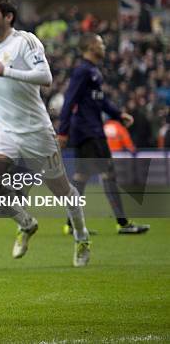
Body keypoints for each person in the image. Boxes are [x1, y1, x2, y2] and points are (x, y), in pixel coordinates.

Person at [0, 0, 91, 267]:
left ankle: (82, 236)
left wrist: (8, 70)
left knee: (61, 190)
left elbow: (45, 77)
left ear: (8, 17)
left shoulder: (25, 42)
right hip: (3, 128)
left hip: (35, 130)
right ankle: (26, 224)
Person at [58, 34, 149, 235]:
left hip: (89, 130)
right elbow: (69, 100)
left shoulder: (92, 71)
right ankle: (122, 223)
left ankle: (71, 224)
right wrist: (62, 131)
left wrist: (118, 115)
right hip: (89, 131)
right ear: (91, 46)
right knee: (108, 174)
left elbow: (100, 101)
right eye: (100, 44)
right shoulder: (83, 71)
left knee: (81, 177)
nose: (104, 47)